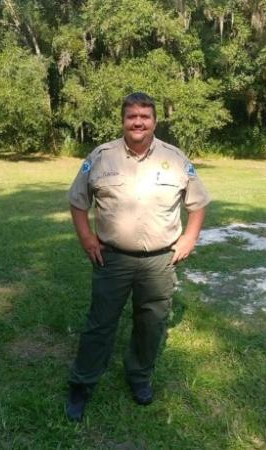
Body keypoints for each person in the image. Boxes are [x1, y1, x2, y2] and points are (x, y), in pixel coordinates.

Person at [64, 92, 210, 422]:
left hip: (160, 261)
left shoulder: (175, 158)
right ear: (123, 121)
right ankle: (82, 384)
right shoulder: (101, 157)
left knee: (151, 323)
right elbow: (77, 200)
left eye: (145, 116)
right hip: (112, 258)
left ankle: (139, 378)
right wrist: (87, 237)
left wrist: (189, 237)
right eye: (132, 116)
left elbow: (198, 203)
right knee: (100, 324)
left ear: (154, 121)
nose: (138, 122)